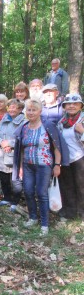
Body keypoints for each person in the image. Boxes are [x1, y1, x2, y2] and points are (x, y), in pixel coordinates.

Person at [13, 98, 69, 236]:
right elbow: (21, 149)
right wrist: (20, 166)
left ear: (40, 111)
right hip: (27, 165)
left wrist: (57, 165)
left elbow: (57, 147)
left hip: (44, 165)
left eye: (33, 110)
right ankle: (32, 217)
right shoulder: (24, 128)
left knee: (42, 193)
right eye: (28, 110)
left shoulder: (48, 126)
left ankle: (44, 224)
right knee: (28, 191)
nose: (31, 112)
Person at [0, 98, 26, 212]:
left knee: (16, 178)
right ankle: (7, 198)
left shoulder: (24, 120)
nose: (11, 109)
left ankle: (15, 201)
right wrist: (1, 143)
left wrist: (10, 144)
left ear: (20, 109)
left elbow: (24, 137)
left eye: (14, 107)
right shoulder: (4, 119)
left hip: (16, 153)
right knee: (3, 177)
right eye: (10, 107)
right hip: (2, 153)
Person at [57, 93, 84, 221]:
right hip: (66, 158)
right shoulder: (61, 122)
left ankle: (82, 212)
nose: (72, 106)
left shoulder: (82, 120)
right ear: (64, 106)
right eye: (69, 104)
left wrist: (83, 131)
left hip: (81, 157)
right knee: (67, 185)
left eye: (75, 103)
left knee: (81, 185)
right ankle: (70, 211)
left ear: (80, 106)